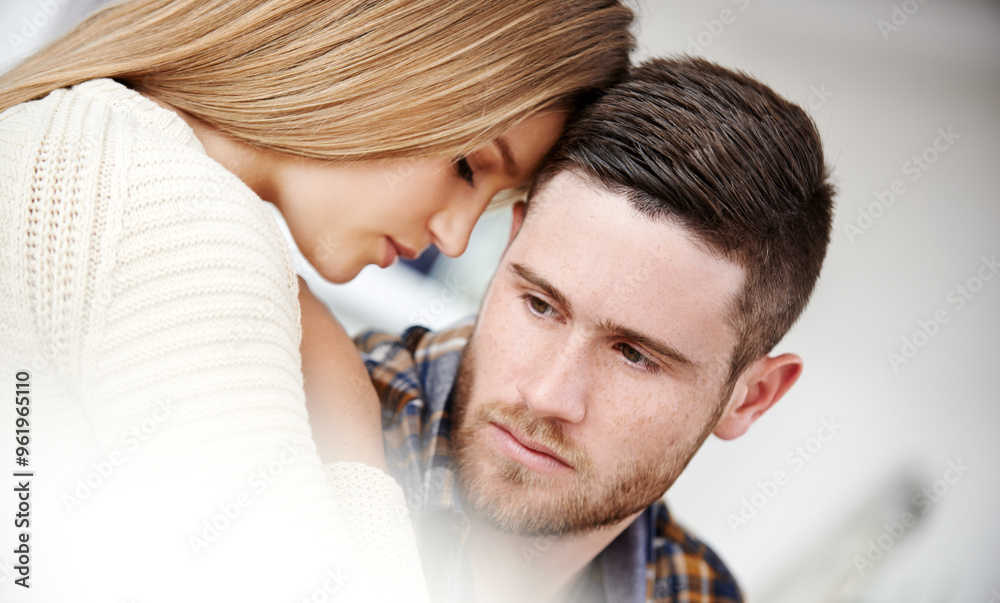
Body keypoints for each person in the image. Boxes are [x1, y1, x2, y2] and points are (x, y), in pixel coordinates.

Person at [0, 1, 634, 601]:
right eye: (468, 166)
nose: (456, 237)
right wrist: (347, 414)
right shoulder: (184, 222)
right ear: (380, 58)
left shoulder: (76, 133)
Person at [351, 56, 836, 602]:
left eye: (634, 355)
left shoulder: (700, 592)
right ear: (510, 245)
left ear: (750, 398)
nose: (547, 396)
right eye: (540, 305)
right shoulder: (301, 426)